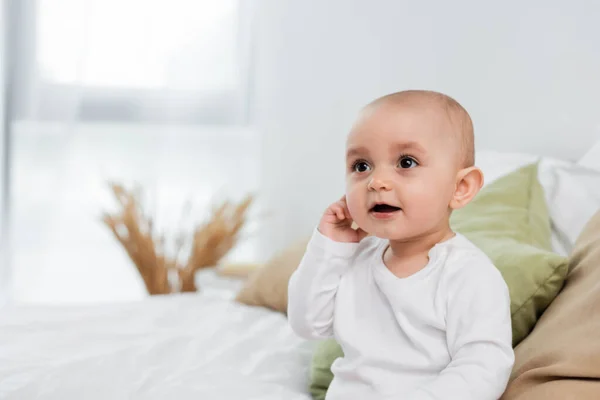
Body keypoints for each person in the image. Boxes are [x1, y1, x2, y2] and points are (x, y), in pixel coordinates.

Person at [287, 90, 514, 399]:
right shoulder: (355, 259)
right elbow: (307, 324)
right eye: (361, 166)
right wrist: (331, 247)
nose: (376, 181)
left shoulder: (469, 274)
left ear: (460, 188)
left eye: (406, 162)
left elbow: (483, 367)